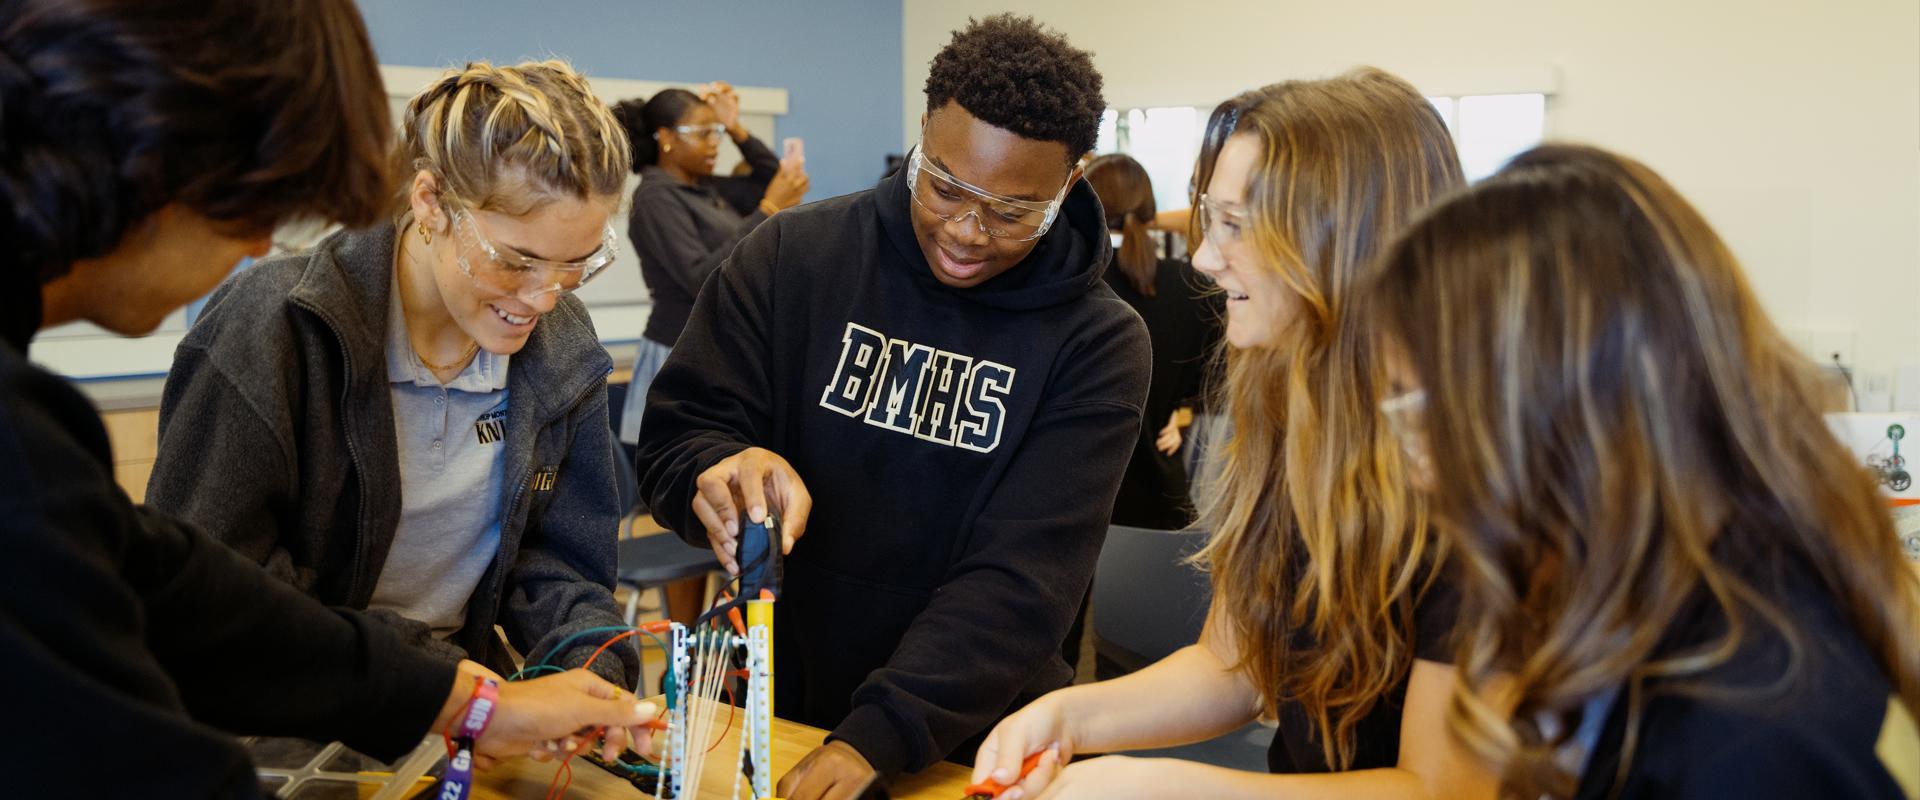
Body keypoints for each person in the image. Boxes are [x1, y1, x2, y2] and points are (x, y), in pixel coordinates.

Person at [0, 0, 655, 796]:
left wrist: (470, 700)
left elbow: (180, 585)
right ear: (140, 157)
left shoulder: (34, 441)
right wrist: (457, 692)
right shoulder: (251, 332)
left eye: (573, 268)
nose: (257, 242)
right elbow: (156, 694)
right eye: (250, 199)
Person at [636, 14, 1148, 800]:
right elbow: (678, 436)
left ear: (1069, 184)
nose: (967, 231)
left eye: (1011, 211)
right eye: (946, 186)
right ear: (923, 132)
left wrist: (881, 732)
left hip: (965, 737)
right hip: (782, 701)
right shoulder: (792, 255)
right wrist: (718, 467)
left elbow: (1023, 580)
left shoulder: (1098, 342)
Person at [973, 70, 1497, 800]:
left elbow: (1444, 788)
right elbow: (1235, 666)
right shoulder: (1297, 422)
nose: (1206, 257)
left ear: (1346, 242)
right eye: (1208, 218)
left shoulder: (1478, 485)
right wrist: (1067, 717)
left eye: (1237, 225)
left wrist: (1166, 788)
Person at [1363, 144, 1920, 798]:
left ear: (1551, 416)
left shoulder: (1738, 741)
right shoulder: (1742, 599)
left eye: (1419, 412)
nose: (1421, 472)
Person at [146, 59, 643, 690]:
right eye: (517, 262)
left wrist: (591, 668)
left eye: (575, 266)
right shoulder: (274, 326)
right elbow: (218, 590)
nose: (544, 298)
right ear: (430, 201)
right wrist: (445, 684)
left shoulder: (561, 344)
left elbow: (558, 563)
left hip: (464, 702)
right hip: (287, 707)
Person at [610, 82, 808, 449]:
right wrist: (768, 210)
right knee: (681, 462)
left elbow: (773, 177)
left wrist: (736, 127)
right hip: (680, 349)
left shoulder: (706, 187)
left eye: (717, 132)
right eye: (703, 133)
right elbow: (701, 277)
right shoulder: (655, 198)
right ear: (667, 138)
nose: (715, 142)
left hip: (723, 344)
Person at [1083, 153, 1218, 531]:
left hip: (1081, 500)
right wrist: (1184, 413)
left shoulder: (1075, 284)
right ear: (1149, 208)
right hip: (1163, 502)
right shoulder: (1194, 286)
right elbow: (1217, 378)